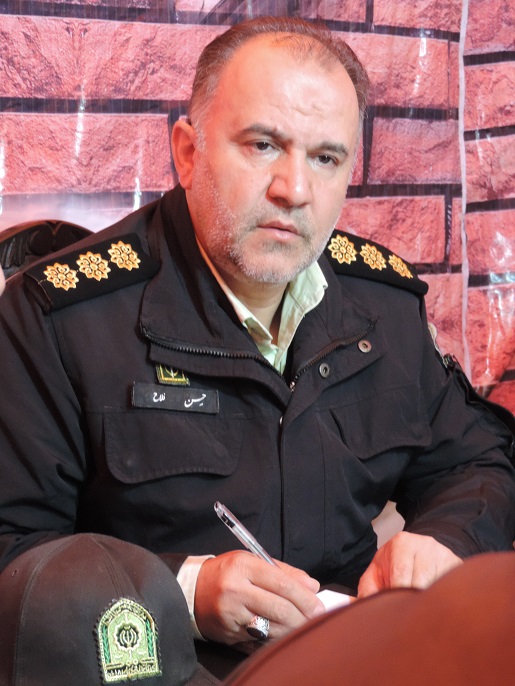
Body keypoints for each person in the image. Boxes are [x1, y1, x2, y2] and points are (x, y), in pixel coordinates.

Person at [0, 14, 514, 661]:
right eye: (263, 145)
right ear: (188, 152)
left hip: (353, 656)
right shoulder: (59, 318)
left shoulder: (382, 304)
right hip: (163, 666)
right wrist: (182, 593)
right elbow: (11, 549)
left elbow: (475, 461)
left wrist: (445, 539)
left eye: (325, 158)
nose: (293, 190)